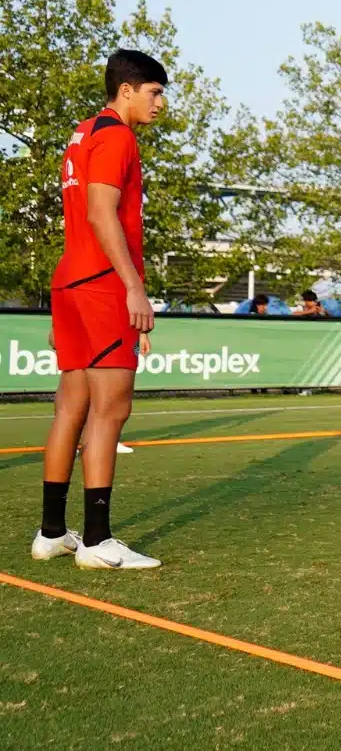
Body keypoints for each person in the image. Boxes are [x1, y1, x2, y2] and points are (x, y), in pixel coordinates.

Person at [33, 50, 167, 571]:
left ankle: (51, 533)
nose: (161, 102)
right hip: (101, 286)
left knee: (71, 407)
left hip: (70, 283)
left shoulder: (80, 133)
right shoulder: (117, 136)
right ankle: (96, 540)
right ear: (127, 89)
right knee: (111, 411)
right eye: (154, 91)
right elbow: (99, 212)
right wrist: (134, 287)